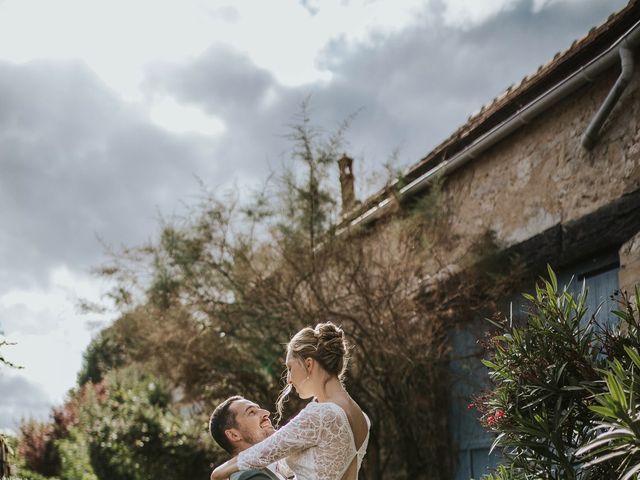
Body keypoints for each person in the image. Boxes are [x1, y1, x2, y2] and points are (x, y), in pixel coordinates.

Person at [211, 322, 370, 480]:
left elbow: (260, 454)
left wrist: (216, 475)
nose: (288, 379)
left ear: (308, 364)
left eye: (290, 368)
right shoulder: (362, 418)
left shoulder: (321, 415)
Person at [209, 395, 294, 480]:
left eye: (259, 409)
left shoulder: (281, 464)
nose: (266, 413)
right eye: (252, 412)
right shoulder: (249, 476)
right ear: (234, 435)